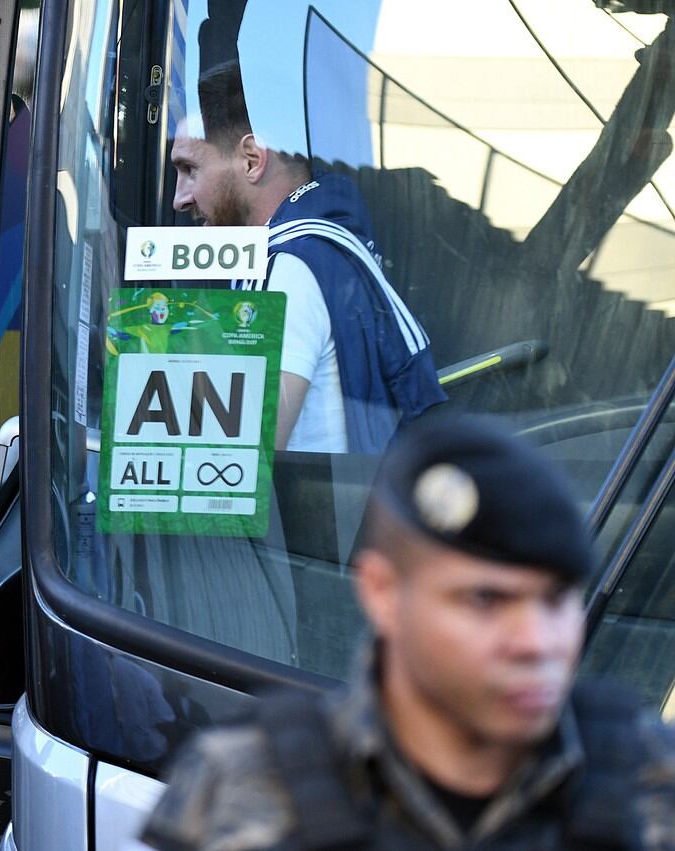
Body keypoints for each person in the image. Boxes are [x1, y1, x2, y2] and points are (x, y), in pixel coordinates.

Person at [137, 413, 675, 850]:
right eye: (487, 600)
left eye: (558, 599)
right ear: (382, 594)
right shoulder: (244, 781)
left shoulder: (650, 781)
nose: (537, 642)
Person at [171, 62, 446, 454]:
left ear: (251, 160)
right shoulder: (322, 244)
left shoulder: (290, 270)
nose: (179, 199)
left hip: (311, 514)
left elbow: (243, 460)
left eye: (189, 170)